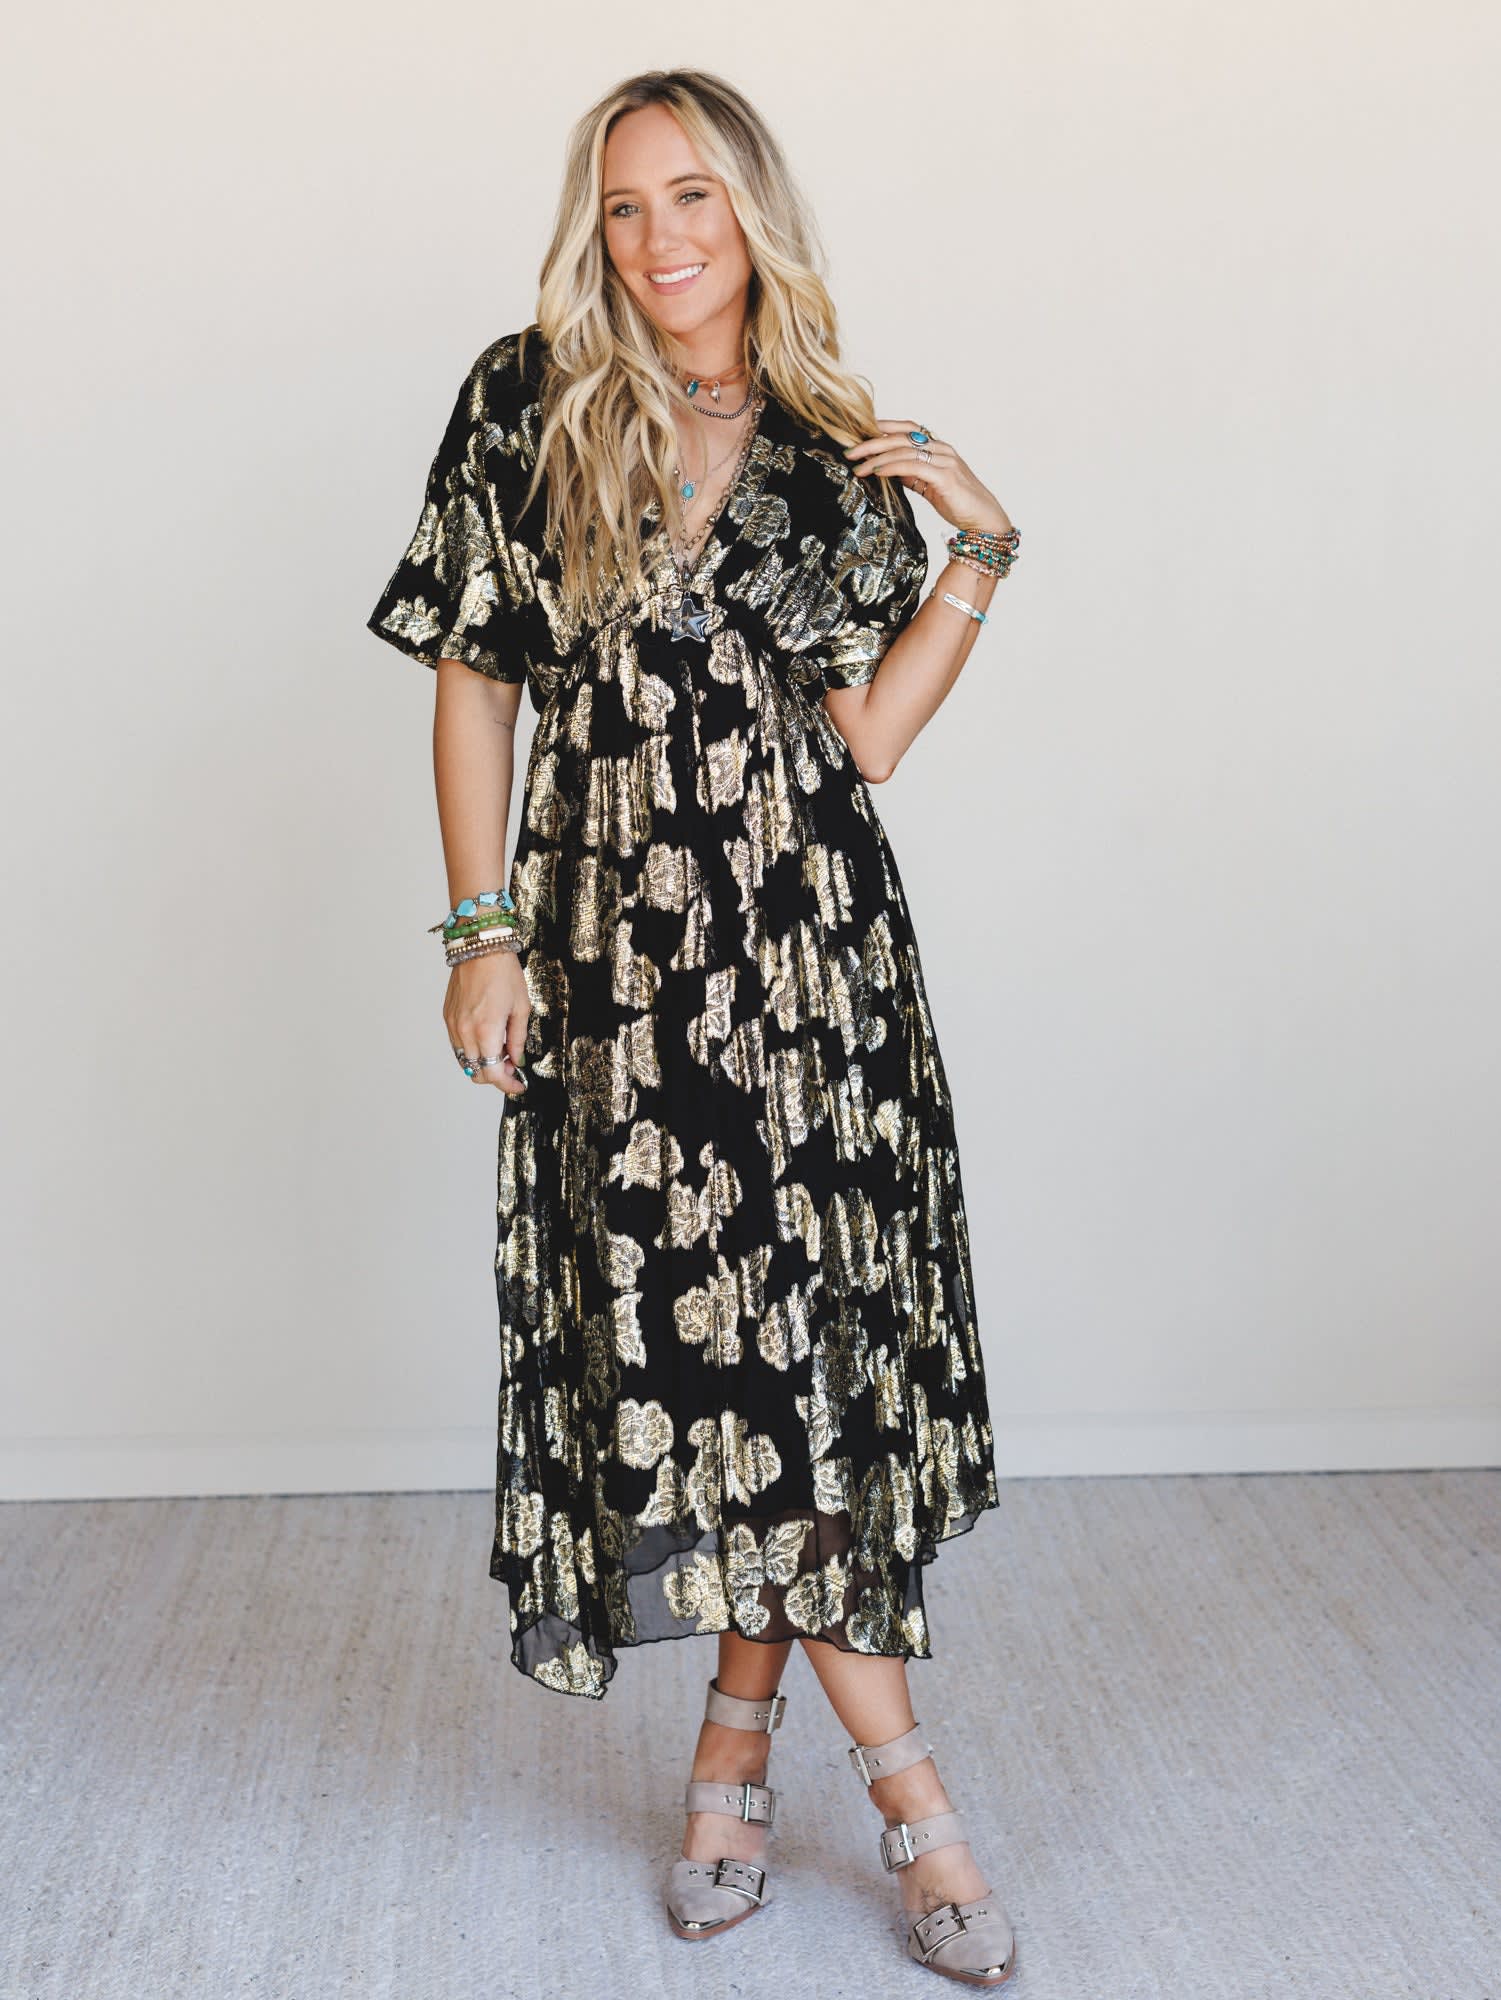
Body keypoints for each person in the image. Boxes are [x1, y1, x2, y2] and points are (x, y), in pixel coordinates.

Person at [366, 67, 1022, 1988]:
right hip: (610, 967)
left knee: (791, 1363)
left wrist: (979, 551)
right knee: (699, 1353)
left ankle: (773, 1760)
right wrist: (480, 932)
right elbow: (475, 680)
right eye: (625, 203)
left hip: (811, 968)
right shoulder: (529, 398)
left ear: (754, 216)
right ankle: (892, 1795)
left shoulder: (824, 448)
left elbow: (868, 739)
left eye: (694, 199)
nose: (659, 239)